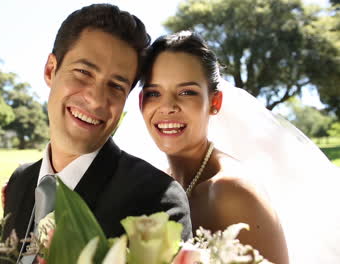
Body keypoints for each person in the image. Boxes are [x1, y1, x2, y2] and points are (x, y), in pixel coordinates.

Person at [0, 4, 192, 264]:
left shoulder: (157, 200)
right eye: (84, 72)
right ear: (51, 70)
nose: (96, 100)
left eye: (116, 86)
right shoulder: (20, 181)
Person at [115, 31, 290, 263]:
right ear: (141, 103)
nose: (167, 107)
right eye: (154, 93)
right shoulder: (155, 187)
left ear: (214, 102)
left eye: (186, 92)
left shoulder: (232, 193)